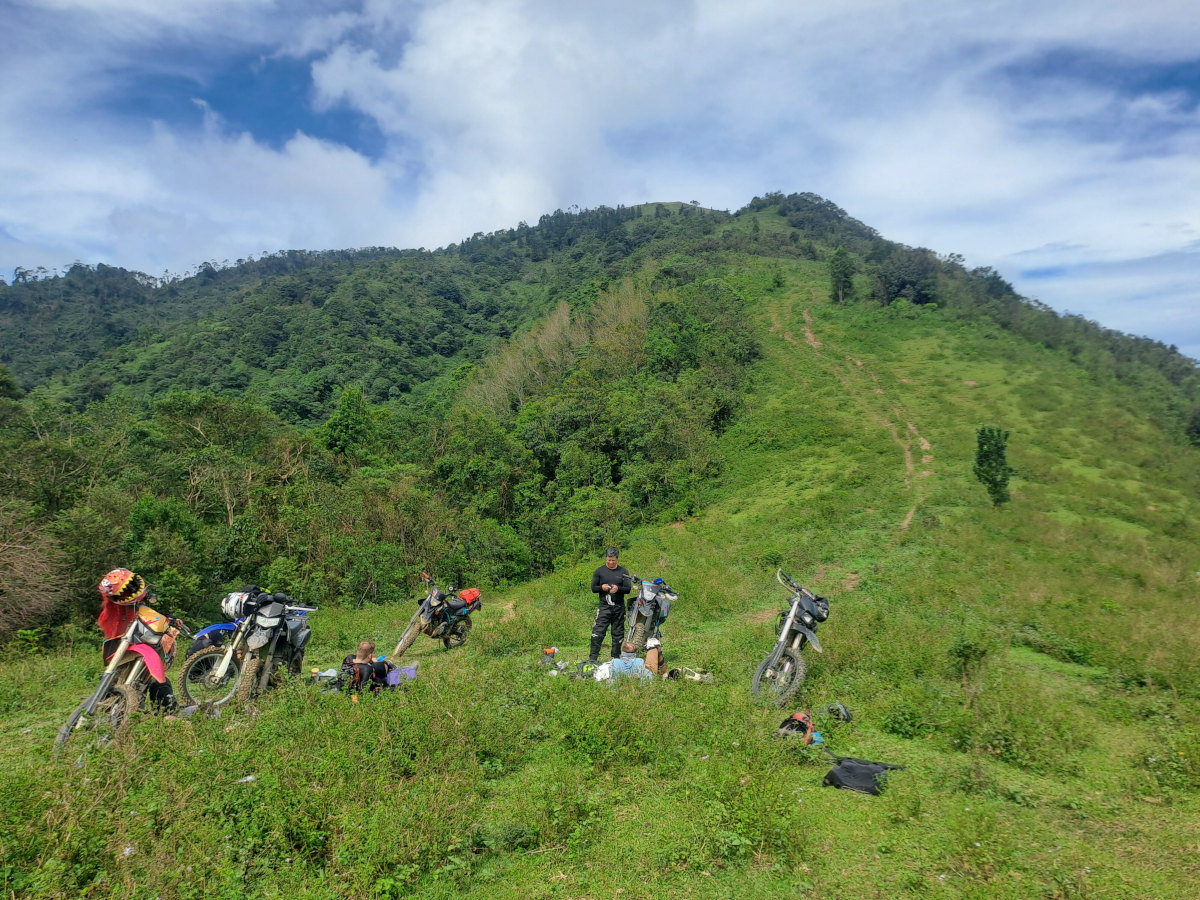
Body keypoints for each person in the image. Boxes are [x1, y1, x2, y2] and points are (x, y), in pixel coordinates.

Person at [96, 567, 179, 710]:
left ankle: (167, 712)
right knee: (116, 679)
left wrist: (170, 620)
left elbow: (156, 618)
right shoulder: (114, 610)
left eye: (131, 588)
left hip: (143, 651)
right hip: (125, 650)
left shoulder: (141, 607)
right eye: (126, 590)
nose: (130, 592)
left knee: (157, 683)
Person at [589, 546, 632, 663]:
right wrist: (602, 588)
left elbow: (628, 589)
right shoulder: (599, 571)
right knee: (597, 633)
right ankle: (593, 658)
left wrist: (618, 589)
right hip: (604, 607)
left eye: (613, 560)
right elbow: (593, 588)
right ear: (606, 558)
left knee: (618, 634)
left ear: (617, 559)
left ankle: (616, 658)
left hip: (619, 608)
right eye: (609, 560)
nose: (611, 562)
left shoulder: (623, 572)